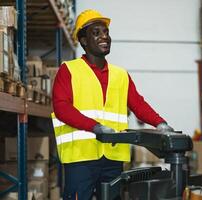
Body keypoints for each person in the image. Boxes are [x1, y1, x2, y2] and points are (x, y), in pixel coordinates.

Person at [51, 9, 174, 200]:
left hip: (113, 158)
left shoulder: (120, 75)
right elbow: (61, 107)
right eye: (96, 32)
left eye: (106, 32)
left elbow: (138, 104)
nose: (104, 37)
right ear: (83, 41)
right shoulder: (69, 70)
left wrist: (161, 123)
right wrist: (95, 127)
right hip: (81, 159)